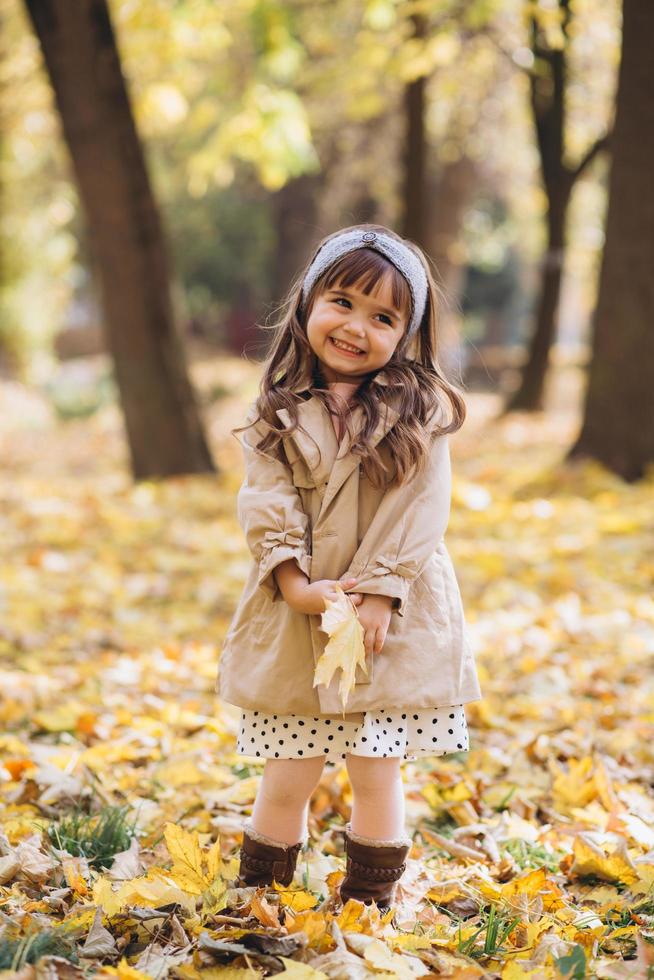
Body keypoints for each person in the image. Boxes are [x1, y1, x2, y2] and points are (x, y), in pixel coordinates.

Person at [216, 224, 483, 911]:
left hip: (383, 622)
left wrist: (381, 592)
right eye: (342, 302)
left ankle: (370, 903)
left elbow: (420, 506)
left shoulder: (417, 412)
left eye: (383, 317)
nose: (356, 327)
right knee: (287, 772)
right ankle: (259, 898)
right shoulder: (276, 412)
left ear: (406, 334)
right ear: (308, 303)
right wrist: (293, 581)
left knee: (376, 769)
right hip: (301, 615)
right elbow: (266, 501)